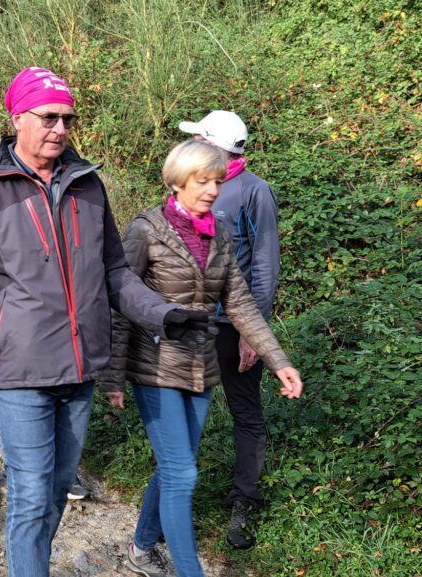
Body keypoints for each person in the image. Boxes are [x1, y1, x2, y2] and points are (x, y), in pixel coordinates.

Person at [0, 67, 205, 577]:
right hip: (19, 369)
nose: (60, 128)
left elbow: (114, 271)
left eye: (68, 118)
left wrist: (163, 315)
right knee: (28, 494)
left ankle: (32, 563)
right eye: (49, 117)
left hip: (80, 369)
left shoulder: (88, 187)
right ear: (17, 118)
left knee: (54, 492)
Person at [110, 139, 302, 577]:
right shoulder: (146, 230)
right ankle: (189, 570)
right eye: (204, 180)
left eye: (218, 180)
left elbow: (240, 303)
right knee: (182, 473)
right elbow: (120, 301)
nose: (214, 189)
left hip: (200, 366)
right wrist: (112, 374)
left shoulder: (219, 231)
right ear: (178, 181)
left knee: (177, 464)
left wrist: (279, 361)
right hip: (154, 366)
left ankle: (141, 546)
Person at [178, 111, 282, 549]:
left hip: (234, 325)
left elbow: (265, 264)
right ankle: (175, 499)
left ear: (215, 143)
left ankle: (245, 500)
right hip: (192, 322)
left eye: (199, 136)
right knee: (183, 412)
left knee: (246, 413)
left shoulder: (254, 192)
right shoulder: (193, 184)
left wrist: (251, 333)